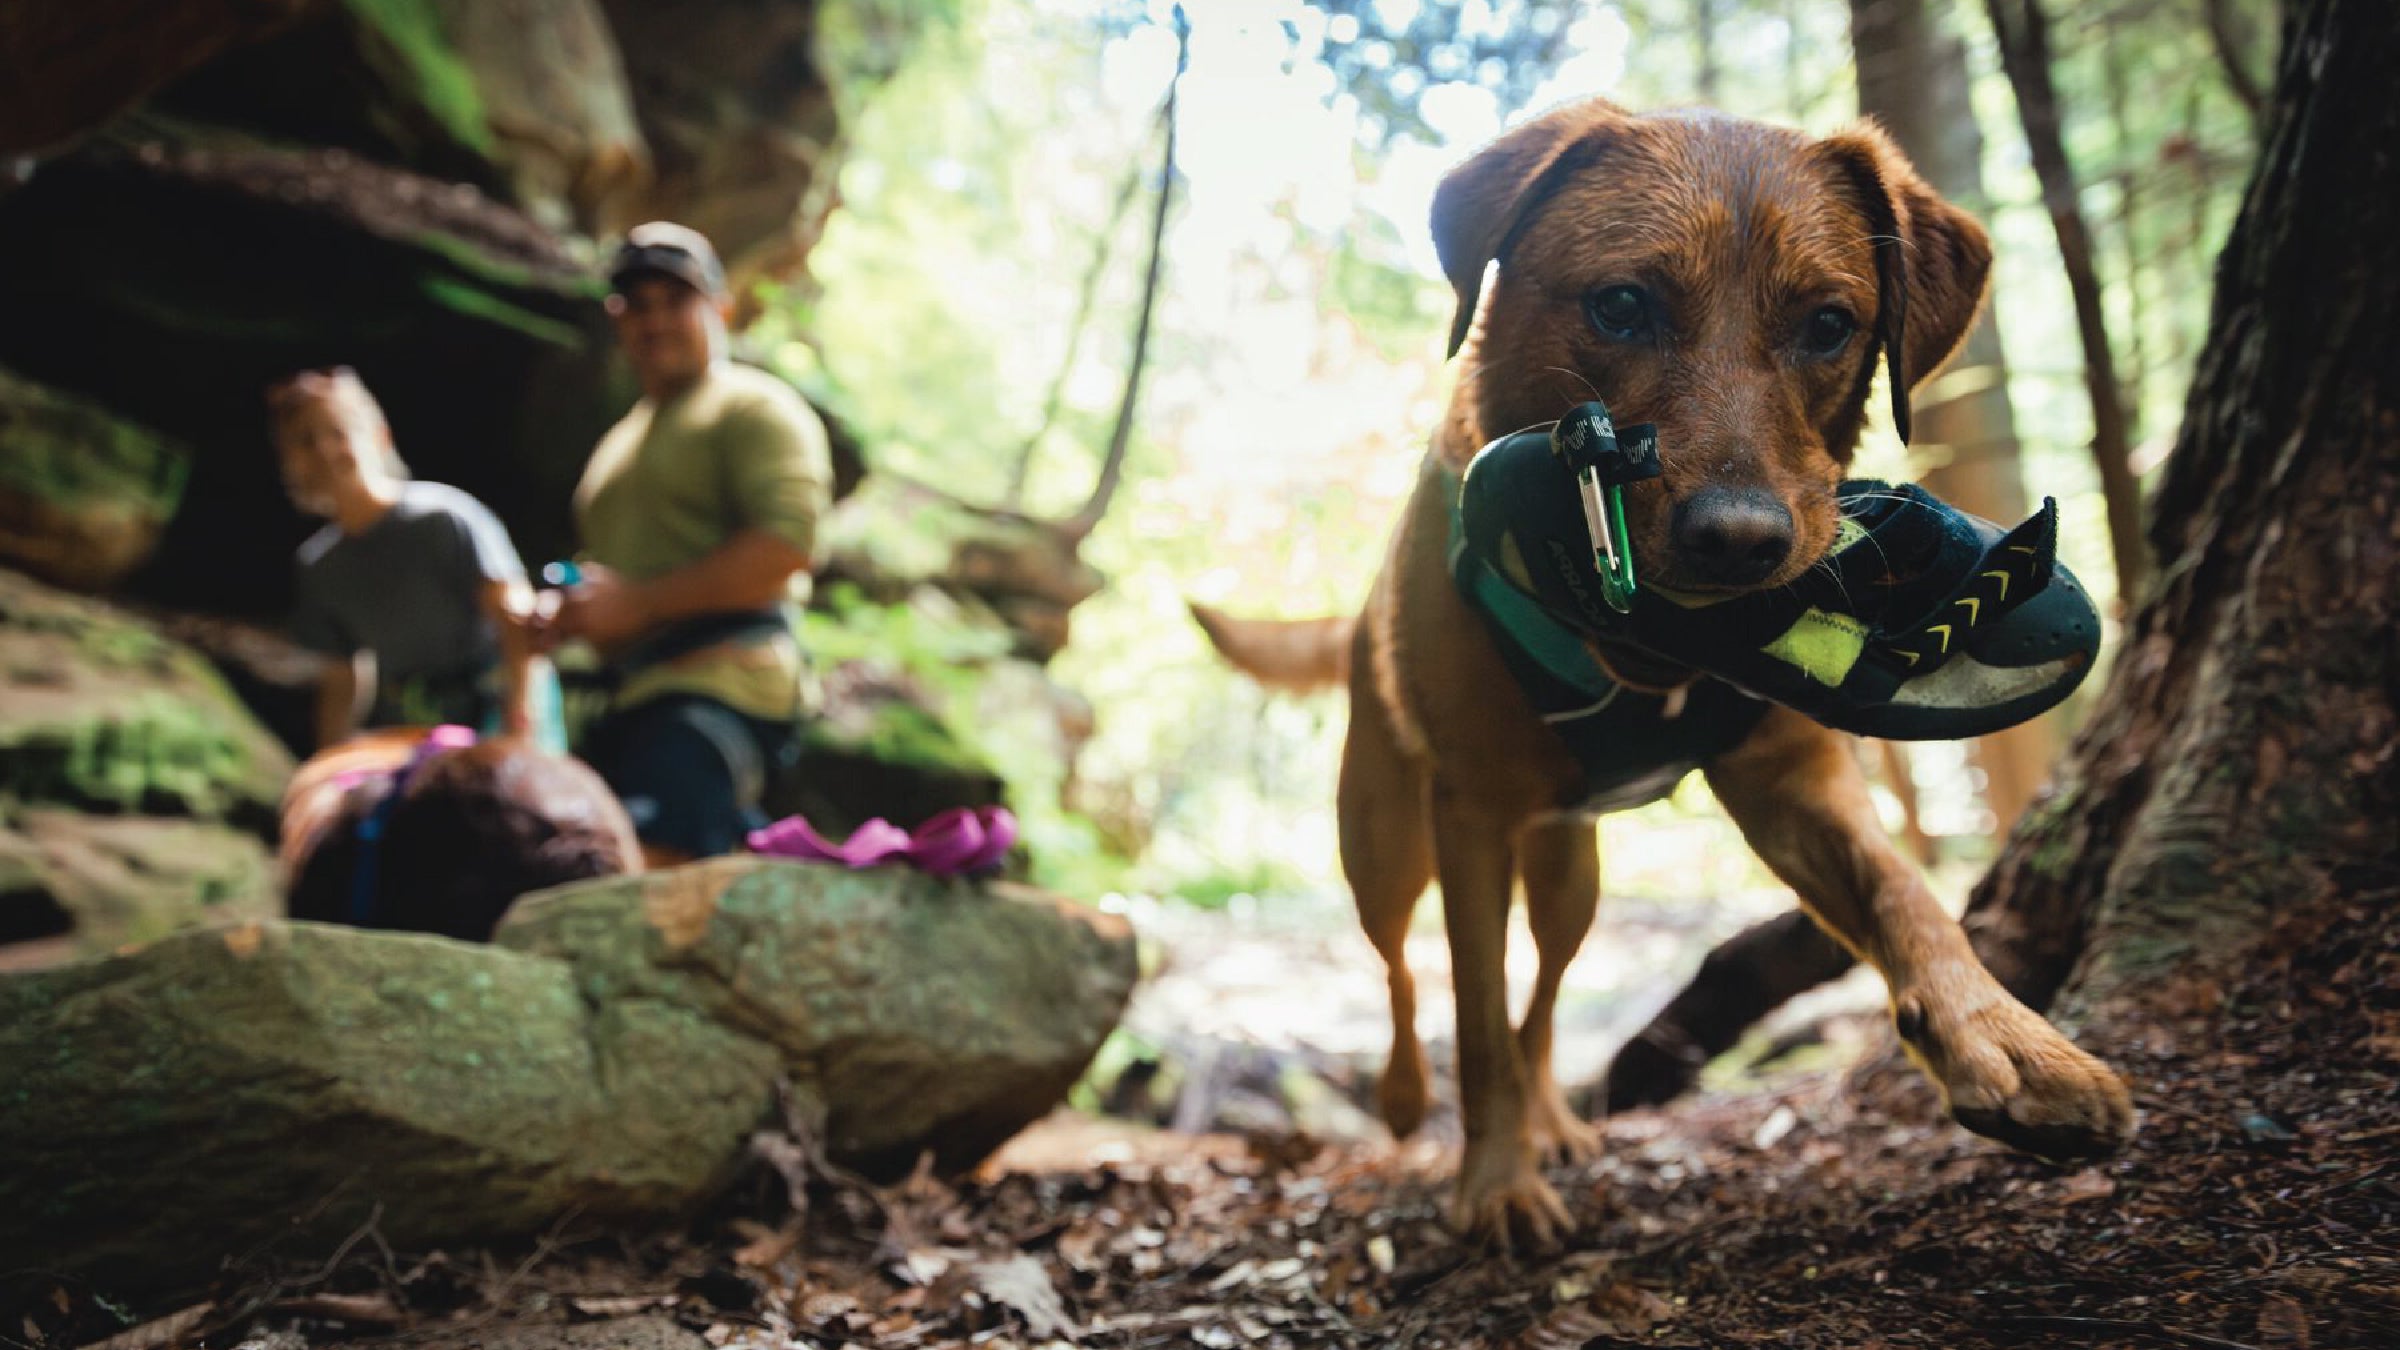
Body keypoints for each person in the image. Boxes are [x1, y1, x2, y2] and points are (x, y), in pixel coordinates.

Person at [541, 221, 831, 866]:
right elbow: (620, 570)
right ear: (617, 321)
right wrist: (571, 611)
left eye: (678, 300)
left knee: (643, 893)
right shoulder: (619, 443)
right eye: (637, 305)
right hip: (625, 704)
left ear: (722, 308)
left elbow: (788, 545)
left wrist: (638, 605)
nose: (657, 321)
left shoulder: (754, 408)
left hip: (718, 693)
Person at [272, 367, 550, 751]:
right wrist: (328, 763)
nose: (324, 449)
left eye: (338, 431)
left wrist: (519, 724)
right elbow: (343, 678)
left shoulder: (444, 518)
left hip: (498, 706)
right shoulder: (319, 567)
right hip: (416, 727)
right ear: (288, 463)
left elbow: (514, 619)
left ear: (378, 435)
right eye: (304, 440)